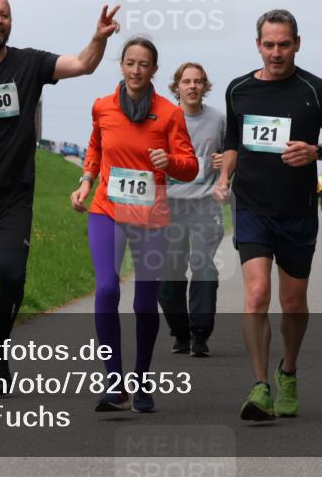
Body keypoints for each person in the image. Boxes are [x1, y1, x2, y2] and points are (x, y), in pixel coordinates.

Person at [0, 0, 121, 395]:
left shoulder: (29, 63)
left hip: (13, 194)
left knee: (13, 274)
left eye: (5, 14)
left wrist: (99, 38)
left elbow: (82, 64)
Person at [213, 9, 322, 421]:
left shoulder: (316, 90)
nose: (276, 52)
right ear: (258, 45)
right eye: (269, 45)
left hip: (297, 211)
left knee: (293, 303)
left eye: (284, 44)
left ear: (297, 44)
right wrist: (223, 177)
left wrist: (316, 151)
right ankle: (260, 386)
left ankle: (287, 370)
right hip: (252, 206)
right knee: (256, 295)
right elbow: (233, 141)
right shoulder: (238, 90)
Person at [70, 37, 198, 413]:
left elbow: (190, 166)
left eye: (143, 64)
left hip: (150, 216)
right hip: (106, 209)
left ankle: (141, 381)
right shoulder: (103, 106)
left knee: (144, 302)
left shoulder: (170, 113)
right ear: (121, 65)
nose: (136, 70)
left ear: (154, 69)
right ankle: (115, 383)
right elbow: (95, 148)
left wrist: (169, 162)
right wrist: (85, 181)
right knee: (106, 289)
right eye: (130, 62)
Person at [158, 62, 226, 357]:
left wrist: (225, 163)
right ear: (177, 87)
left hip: (204, 203)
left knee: (203, 266)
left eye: (198, 81)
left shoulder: (218, 120)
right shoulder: (163, 118)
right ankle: (180, 332)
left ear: (205, 86)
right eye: (186, 81)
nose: (193, 86)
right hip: (170, 203)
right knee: (169, 272)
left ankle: (200, 334)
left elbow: (232, 155)